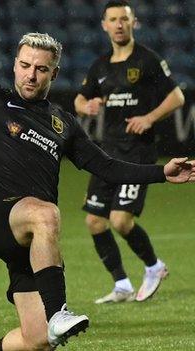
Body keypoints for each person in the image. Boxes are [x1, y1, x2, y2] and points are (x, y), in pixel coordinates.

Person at [0, 1, 194, 350]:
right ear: (14, 65)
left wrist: (163, 172)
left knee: (37, 341)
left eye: (41, 69)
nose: (31, 75)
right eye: (24, 65)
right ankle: (59, 313)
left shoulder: (62, 123)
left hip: (28, 243)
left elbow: (107, 167)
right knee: (46, 213)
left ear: (54, 74)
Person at [73, 0, 185, 304]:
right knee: (95, 222)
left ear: (133, 22)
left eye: (124, 18)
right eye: (113, 19)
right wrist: (88, 106)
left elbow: (177, 97)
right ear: (104, 25)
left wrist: (149, 118)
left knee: (121, 220)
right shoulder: (100, 65)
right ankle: (122, 285)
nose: (119, 24)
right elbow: (80, 101)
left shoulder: (148, 60)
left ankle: (154, 267)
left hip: (138, 153)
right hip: (108, 153)